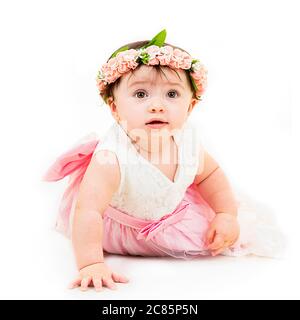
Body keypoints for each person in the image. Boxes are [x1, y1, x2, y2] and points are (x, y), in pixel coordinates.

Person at [43, 29, 285, 292]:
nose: (157, 106)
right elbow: (88, 211)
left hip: (169, 211)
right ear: (115, 108)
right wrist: (90, 264)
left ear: (190, 106)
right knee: (94, 221)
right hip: (122, 226)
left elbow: (210, 174)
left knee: (222, 235)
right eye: (140, 95)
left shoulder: (187, 142)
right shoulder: (110, 158)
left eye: (171, 95)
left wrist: (225, 213)